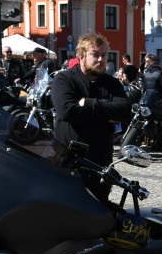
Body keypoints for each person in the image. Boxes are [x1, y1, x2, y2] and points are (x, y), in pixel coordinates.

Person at [50, 32, 133, 202]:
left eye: (104, 55)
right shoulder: (64, 79)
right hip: (67, 161)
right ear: (81, 56)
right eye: (95, 54)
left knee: (98, 212)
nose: (101, 59)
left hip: (100, 162)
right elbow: (67, 111)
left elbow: (125, 111)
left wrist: (88, 104)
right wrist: (106, 114)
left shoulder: (111, 83)